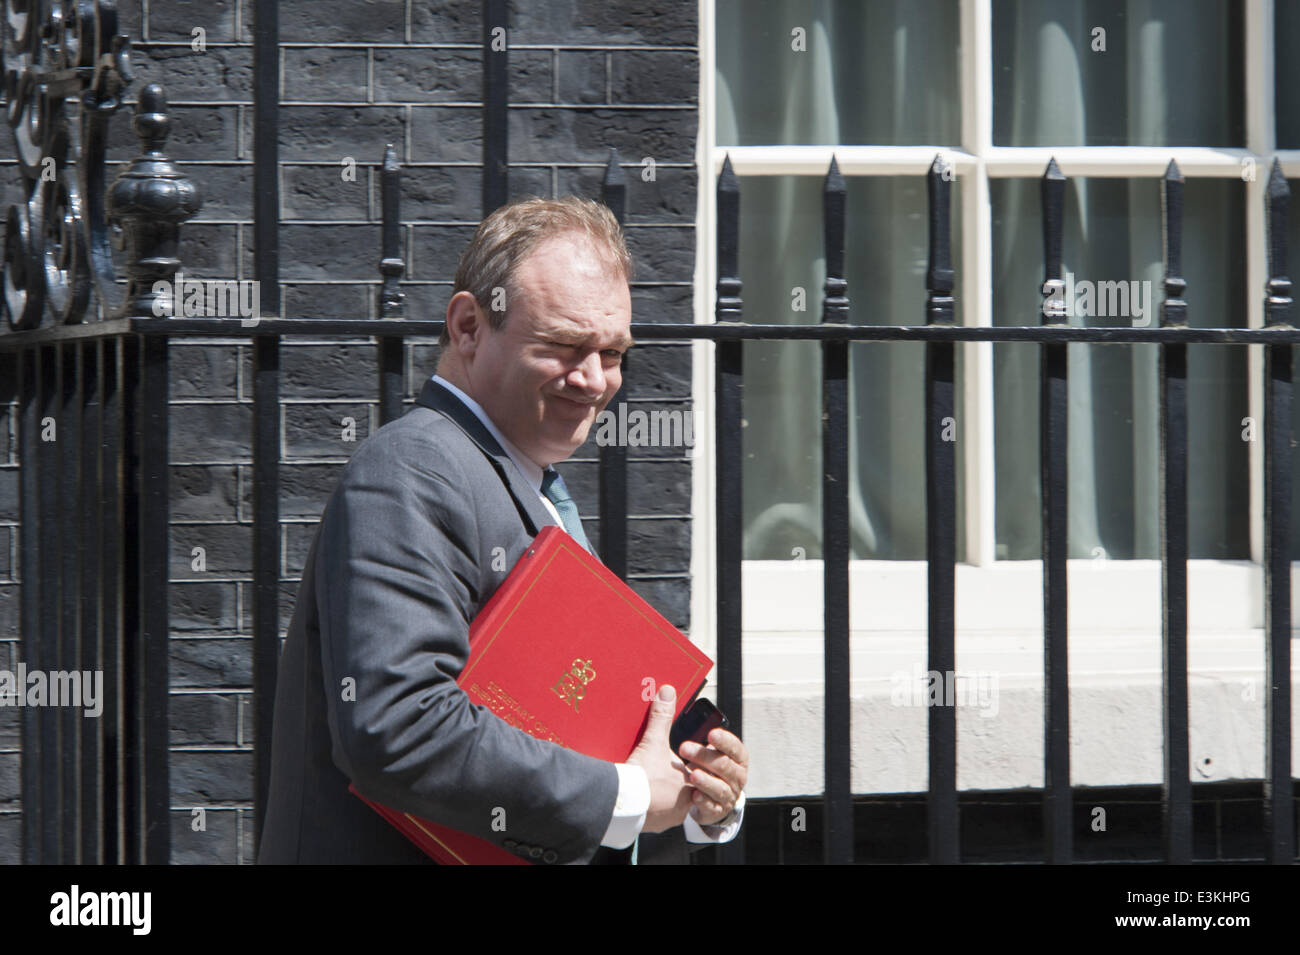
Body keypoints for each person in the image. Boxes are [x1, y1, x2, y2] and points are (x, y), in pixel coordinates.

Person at [259, 197, 749, 864]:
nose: (595, 379)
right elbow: (396, 725)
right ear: (467, 325)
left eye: (613, 352)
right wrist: (625, 792)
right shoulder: (412, 468)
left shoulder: (521, 483)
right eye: (565, 345)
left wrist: (693, 789)